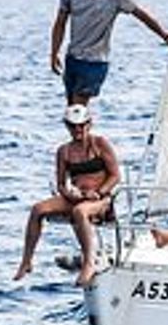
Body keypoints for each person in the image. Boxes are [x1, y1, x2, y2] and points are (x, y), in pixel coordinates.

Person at [16, 104, 120, 286]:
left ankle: (89, 262)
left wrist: (98, 192)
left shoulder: (100, 144)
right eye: (73, 126)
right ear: (67, 126)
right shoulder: (64, 151)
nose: (78, 129)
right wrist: (72, 194)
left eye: (82, 125)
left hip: (100, 199)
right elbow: (61, 184)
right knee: (37, 209)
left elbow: (115, 176)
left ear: (89, 124)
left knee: (80, 212)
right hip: (77, 197)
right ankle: (27, 261)